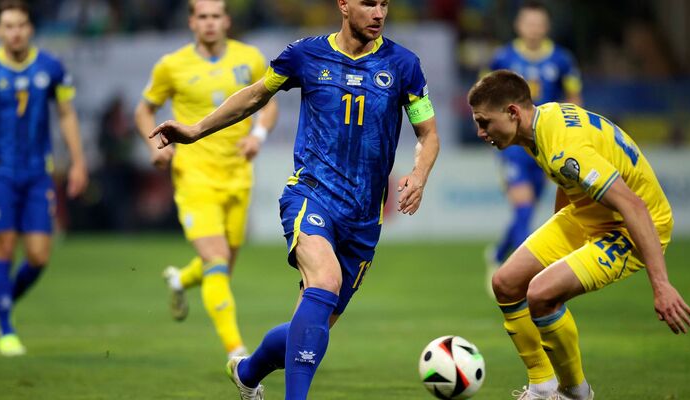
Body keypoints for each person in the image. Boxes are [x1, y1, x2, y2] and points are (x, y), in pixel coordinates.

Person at [150, 0, 440, 397]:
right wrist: (197, 130)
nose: (379, 13)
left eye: (384, 4)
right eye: (369, 3)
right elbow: (255, 96)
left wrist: (420, 175)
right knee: (325, 281)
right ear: (343, 5)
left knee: (311, 330)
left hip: (364, 216)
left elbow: (427, 132)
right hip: (311, 194)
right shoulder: (305, 54)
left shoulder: (404, 64)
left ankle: (248, 373)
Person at [468, 70, 690, 399]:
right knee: (505, 282)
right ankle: (542, 388)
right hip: (588, 211)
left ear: (513, 112)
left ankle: (576, 393)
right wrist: (557, 242)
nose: (480, 132)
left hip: (631, 227)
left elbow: (634, 206)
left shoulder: (565, 147)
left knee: (541, 294)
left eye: (484, 122)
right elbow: (569, 181)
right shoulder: (543, 122)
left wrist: (661, 286)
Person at [134, 0, 278, 360]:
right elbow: (144, 109)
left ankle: (181, 279)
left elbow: (269, 100)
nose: (210, 23)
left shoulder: (251, 58)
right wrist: (155, 147)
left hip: (238, 175)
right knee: (216, 260)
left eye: (216, 16)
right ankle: (237, 353)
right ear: (192, 22)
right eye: (203, 17)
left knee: (223, 265)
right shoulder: (172, 65)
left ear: (226, 20)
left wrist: (257, 135)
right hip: (193, 174)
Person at [0, 0, 88, 357]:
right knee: (3, 246)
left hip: (37, 174)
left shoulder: (51, 67)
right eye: (8, 26)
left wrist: (77, 162)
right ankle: (5, 329)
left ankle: (3, 300)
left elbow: (66, 116)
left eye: (21, 25)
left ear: (30, 29)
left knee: (39, 256)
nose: (15, 32)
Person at [484, 0, 582, 296]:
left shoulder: (562, 60)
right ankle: (520, 277)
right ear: (519, 26)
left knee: (528, 212)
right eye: (528, 23)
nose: (533, 28)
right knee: (524, 208)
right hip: (513, 145)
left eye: (538, 23)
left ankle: (499, 255)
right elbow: (484, 95)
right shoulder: (503, 57)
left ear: (546, 27)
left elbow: (574, 99)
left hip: (545, 146)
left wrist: (572, 135)